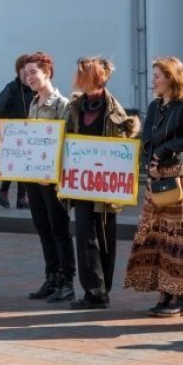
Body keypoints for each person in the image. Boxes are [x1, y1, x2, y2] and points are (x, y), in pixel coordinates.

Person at [124, 56, 183, 316]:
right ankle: (165, 295)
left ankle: (181, 298)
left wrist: (165, 151)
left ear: (171, 78)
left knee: (179, 240)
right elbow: (146, 140)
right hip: (157, 181)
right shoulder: (155, 106)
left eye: (157, 75)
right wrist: (150, 162)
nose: (153, 80)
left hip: (178, 181)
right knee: (157, 239)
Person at [66, 58, 140, 309]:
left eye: (83, 75)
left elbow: (124, 148)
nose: (78, 78)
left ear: (97, 78)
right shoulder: (75, 106)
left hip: (106, 186)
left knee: (105, 238)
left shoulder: (115, 111)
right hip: (80, 182)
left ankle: (102, 290)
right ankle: (93, 291)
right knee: (84, 235)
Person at [23, 52, 76, 302]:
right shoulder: (33, 103)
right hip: (34, 177)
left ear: (47, 72)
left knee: (59, 229)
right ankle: (51, 276)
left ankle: (67, 281)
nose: (29, 77)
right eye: (26, 73)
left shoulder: (61, 104)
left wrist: (52, 171)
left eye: (33, 72)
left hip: (53, 179)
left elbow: (64, 142)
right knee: (42, 228)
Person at [0, 54, 33, 209]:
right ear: (18, 70)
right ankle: (4, 192)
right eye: (22, 68)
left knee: (24, 164)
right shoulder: (11, 88)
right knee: (14, 164)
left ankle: (21, 198)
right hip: (12, 132)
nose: (25, 72)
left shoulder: (34, 88)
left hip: (29, 131)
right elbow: (0, 109)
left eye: (28, 68)